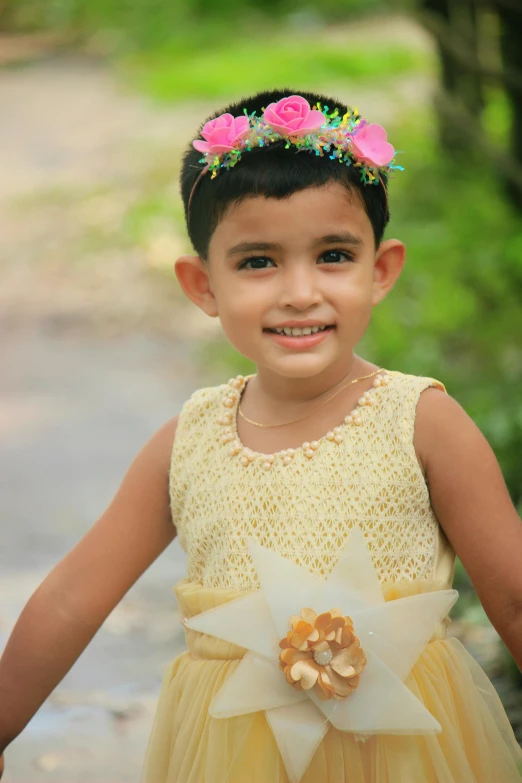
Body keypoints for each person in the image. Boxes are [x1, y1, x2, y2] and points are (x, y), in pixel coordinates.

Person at [0, 89, 521, 783]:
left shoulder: (421, 421)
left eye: (334, 255)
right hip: (230, 760)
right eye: (257, 262)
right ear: (202, 283)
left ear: (382, 269)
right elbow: (73, 597)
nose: (299, 291)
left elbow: (512, 597)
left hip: (405, 757)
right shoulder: (188, 441)